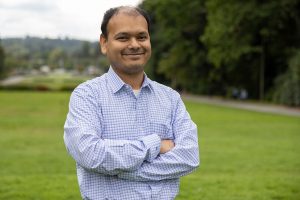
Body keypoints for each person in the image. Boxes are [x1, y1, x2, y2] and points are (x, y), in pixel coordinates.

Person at [64, 6, 199, 200]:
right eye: (123, 37)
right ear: (104, 43)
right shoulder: (87, 96)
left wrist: (123, 171)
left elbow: (189, 157)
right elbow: (91, 154)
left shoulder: (170, 98)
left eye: (142, 37)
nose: (135, 44)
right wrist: (156, 146)